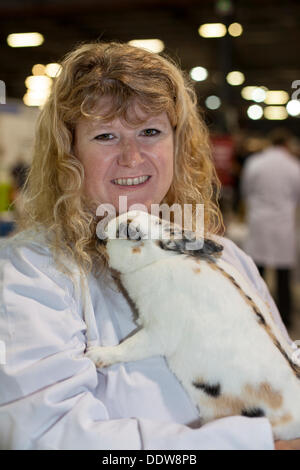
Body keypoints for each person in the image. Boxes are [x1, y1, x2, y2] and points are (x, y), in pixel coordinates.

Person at [0, 41, 298, 450]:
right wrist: (256, 445)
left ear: (177, 144)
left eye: (150, 132)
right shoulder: (30, 272)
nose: (132, 156)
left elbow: (277, 366)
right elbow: (45, 435)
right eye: (105, 135)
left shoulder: (224, 257)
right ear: (70, 153)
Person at [241, 128, 300, 330]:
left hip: (260, 222)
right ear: (287, 144)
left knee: (256, 273)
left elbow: (246, 191)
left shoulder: (255, 163)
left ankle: (255, 315)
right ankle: (285, 319)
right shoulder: (294, 166)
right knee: (284, 277)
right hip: (283, 225)